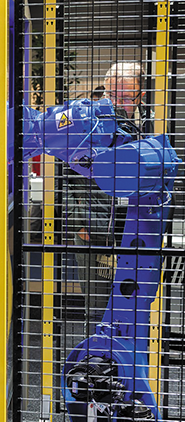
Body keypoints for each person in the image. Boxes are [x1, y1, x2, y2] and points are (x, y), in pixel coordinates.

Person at [66, 62, 146, 322]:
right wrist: (78, 224)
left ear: (141, 95)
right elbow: (60, 179)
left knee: (134, 310)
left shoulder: (146, 129)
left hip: (136, 236)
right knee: (99, 313)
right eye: (112, 95)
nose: (117, 104)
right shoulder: (85, 126)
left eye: (126, 97)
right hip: (94, 236)